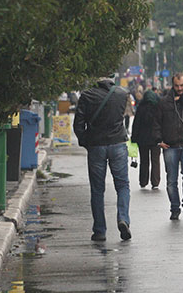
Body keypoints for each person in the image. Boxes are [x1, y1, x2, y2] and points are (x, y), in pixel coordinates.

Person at [73, 76, 132, 242]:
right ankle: (123, 219)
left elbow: (78, 124)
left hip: (96, 145)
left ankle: (100, 231)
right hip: (118, 144)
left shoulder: (87, 96)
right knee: (122, 185)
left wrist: (86, 141)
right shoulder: (122, 94)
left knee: (97, 189)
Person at [153, 74, 183, 220]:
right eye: (177, 86)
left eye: (182, 85)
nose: (179, 88)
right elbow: (156, 122)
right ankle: (175, 208)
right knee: (171, 180)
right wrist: (158, 140)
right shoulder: (164, 102)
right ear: (172, 85)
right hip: (170, 145)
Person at [130, 88, 160, 190]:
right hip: (156, 139)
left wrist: (134, 138)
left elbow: (136, 124)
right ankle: (155, 182)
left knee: (144, 160)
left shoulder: (141, 108)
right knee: (155, 160)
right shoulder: (158, 108)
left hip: (142, 139)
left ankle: (143, 181)